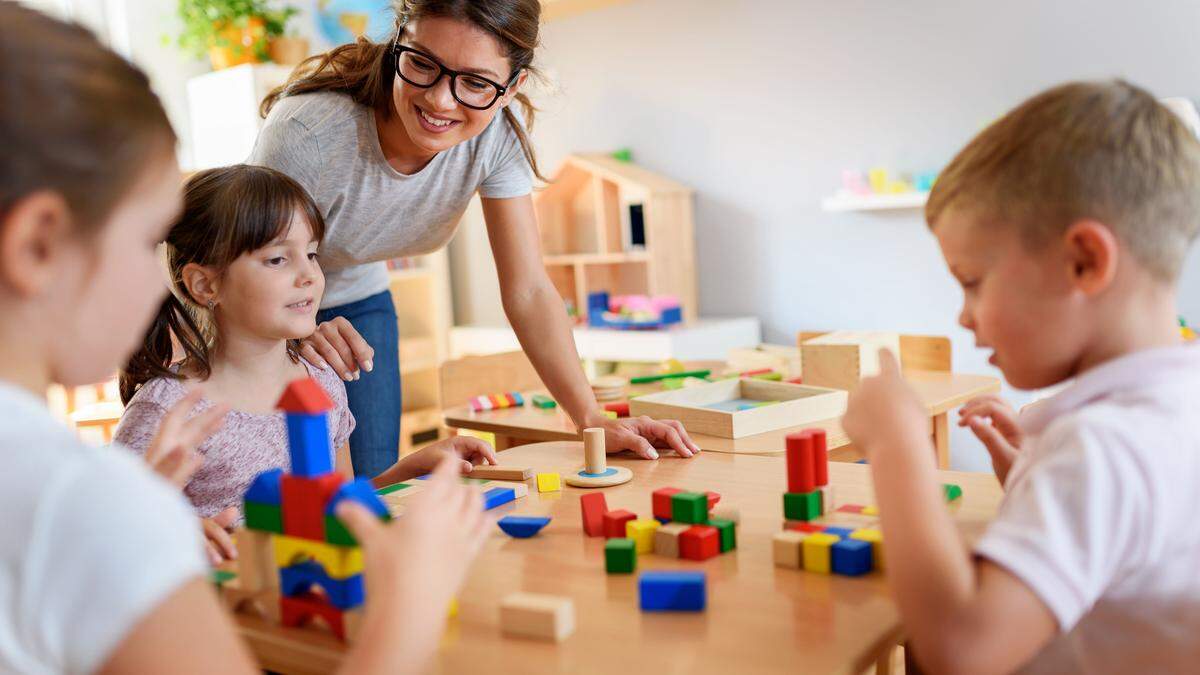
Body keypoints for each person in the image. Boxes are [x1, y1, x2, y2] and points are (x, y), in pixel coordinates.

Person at [0, 5, 488, 672]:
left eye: (311, 256)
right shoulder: (82, 500)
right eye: (146, 241)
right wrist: (412, 601)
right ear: (38, 244)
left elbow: (338, 495)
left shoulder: (85, 491)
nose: (158, 283)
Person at [251, 0, 700, 479]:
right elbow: (236, 262)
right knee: (276, 478)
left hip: (356, 299)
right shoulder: (310, 132)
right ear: (396, 44)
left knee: (370, 482)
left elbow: (527, 289)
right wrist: (294, 332)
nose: (441, 101)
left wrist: (591, 421)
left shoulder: (496, 138)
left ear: (511, 88)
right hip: (258, 298)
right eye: (421, 63)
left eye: (476, 82)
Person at [841, 79, 1200, 672]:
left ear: (1083, 262)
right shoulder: (1173, 406)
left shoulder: (1102, 447)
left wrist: (896, 445)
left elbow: (962, 649)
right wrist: (1031, 477)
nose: (964, 315)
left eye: (972, 281)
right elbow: (1133, 544)